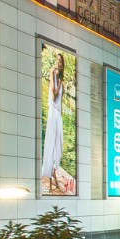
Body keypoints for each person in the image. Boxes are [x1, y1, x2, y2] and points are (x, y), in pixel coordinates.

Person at [41, 52, 65, 193]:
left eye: (60, 62)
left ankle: (55, 171)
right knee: (50, 144)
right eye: (57, 61)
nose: (58, 63)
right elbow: (54, 94)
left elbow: (60, 100)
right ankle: (50, 180)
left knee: (59, 144)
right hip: (52, 112)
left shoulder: (61, 77)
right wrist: (59, 82)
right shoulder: (53, 74)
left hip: (58, 114)